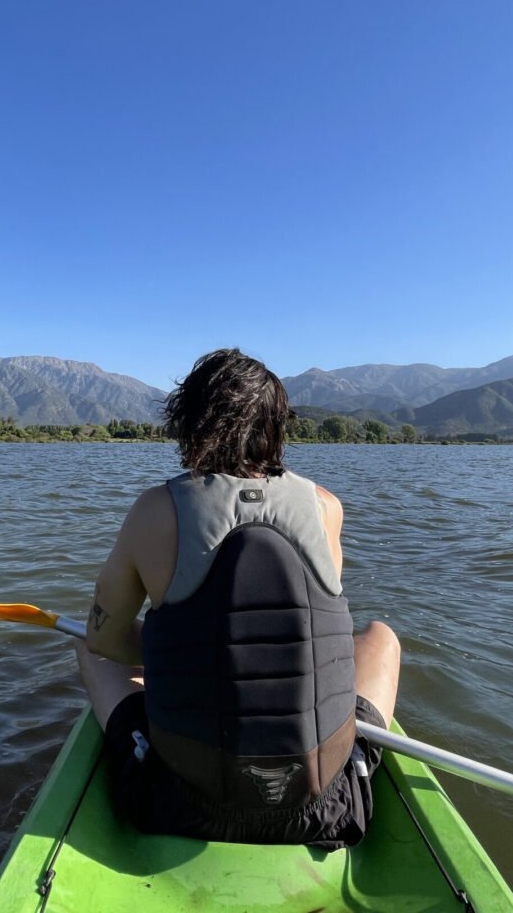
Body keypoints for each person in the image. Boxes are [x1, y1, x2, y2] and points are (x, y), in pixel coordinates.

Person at [77, 348, 401, 848]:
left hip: (177, 803)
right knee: (380, 638)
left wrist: (169, 657)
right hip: (324, 807)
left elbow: (105, 638)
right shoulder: (326, 507)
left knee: (88, 645)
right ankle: (351, 761)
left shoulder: (155, 509)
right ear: (276, 427)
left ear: (191, 422)